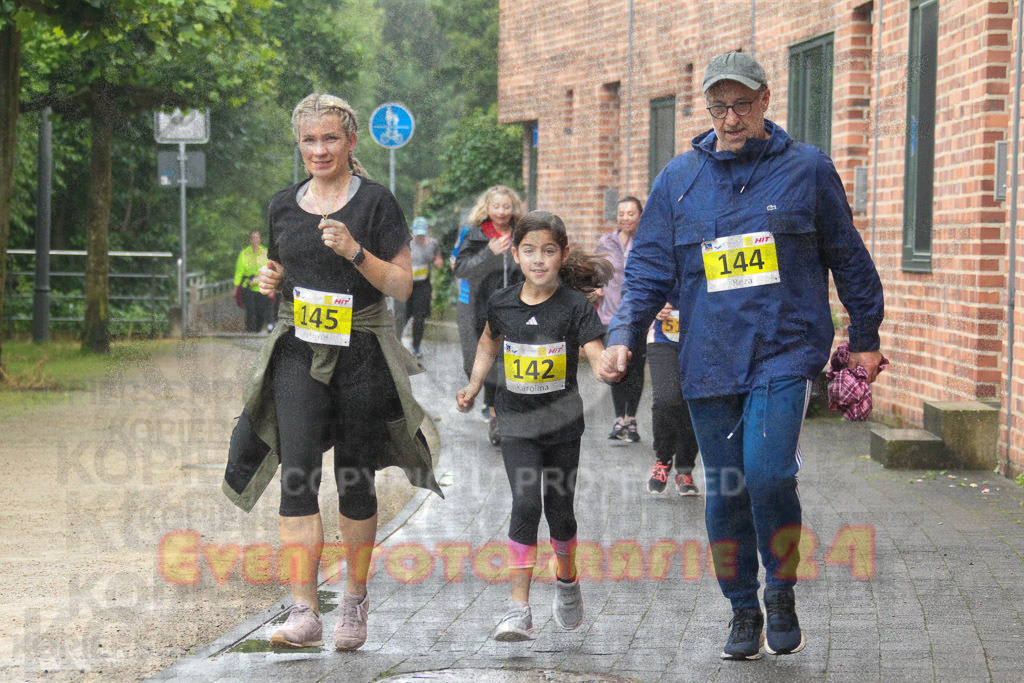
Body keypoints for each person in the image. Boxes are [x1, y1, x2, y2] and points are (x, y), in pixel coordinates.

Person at [598, 52, 885, 660]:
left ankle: (781, 588)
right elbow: (647, 270)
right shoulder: (678, 180)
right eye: (719, 106)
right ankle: (742, 608)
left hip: (784, 349)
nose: (730, 119)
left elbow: (849, 257)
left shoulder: (807, 169)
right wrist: (624, 334)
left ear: (765, 101)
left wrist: (865, 337)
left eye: (742, 105)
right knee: (726, 489)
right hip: (707, 358)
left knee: (770, 472)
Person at [223, 93, 441, 652]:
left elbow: (402, 286)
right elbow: (281, 267)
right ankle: (302, 613)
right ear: (299, 145)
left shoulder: (375, 203)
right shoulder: (283, 205)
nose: (319, 150)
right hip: (298, 348)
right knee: (297, 475)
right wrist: (271, 280)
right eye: (309, 140)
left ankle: (353, 601)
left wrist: (356, 252)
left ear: (349, 142)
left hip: (362, 350)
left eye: (329, 139)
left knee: (354, 477)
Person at [456, 210, 610, 641]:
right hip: (517, 423)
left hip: (562, 426)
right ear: (517, 255)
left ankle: (567, 581)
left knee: (560, 514)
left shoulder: (575, 306)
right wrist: (472, 385)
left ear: (562, 255)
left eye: (547, 251)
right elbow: (488, 342)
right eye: (529, 251)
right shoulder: (502, 302)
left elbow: (596, 355)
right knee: (526, 504)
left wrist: (608, 367)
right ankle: (518, 610)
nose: (538, 259)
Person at [453, 185, 525, 446]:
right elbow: (460, 268)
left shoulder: (521, 233)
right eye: (496, 207)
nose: (502, 212)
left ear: (514, 208)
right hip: (477, 306)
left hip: (513, 306)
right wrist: (488, 252)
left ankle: (498, 417)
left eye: (507, 207)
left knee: (506, 361)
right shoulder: (475, 234)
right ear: (487, 208)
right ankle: (487, 402)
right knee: (478, 362)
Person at [594, 197, 646, 442]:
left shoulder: (647, 241)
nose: (625, 217)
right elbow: (595, 271)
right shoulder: (606, 241)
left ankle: (631, 419)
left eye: (631, 213)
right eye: (622, 213)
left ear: (640, 216)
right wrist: (595, 288)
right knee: (617, 365)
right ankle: (618, 419)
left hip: (639, 315)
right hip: (610, 314)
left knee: (634, 368)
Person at [645, 300, 700, 496]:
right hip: (662, 337)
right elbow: (637, 289)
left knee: (692, 402)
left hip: (699, 339)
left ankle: (685, 470)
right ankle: (663, 460)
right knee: (666, 399)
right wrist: (653, 305)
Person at [394, 216, 443, 358]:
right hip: (405, 284)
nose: (419, 237)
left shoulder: (433, 244)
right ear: (412, 232)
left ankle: (416, 348)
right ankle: (395, 344)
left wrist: (438, 263)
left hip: (422, 285)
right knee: (401, 316)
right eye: (417, 234)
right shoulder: (405, 242)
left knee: (419, 317)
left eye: (422, 234)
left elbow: (438, 259)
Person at [233, 230, 272, 332]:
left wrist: (271, 289)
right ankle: (250, 333)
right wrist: (235, 288)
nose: (255, 240)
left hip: (262, 287)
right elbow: (239, 272)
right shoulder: (244, 254)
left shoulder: (266, 252)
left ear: (260, 239)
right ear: (250, 240)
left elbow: (270, 271)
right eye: (253, 238)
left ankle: (258, 330)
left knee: (261, 312)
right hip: (248, 287)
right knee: (250, 311)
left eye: (257, 237)